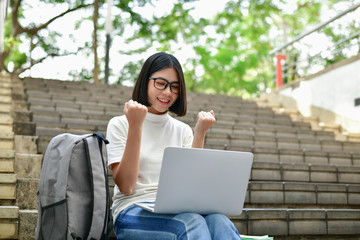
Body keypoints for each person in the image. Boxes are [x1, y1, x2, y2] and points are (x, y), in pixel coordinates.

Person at [106, 52, 242, 240]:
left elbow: (192, 186)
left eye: (175, 87)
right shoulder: (120, 124)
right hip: (131, 211)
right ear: (145, 81)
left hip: (176, 210)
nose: (168, 92)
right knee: (191, 223)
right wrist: (136, 126)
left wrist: (200, 133)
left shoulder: (183, 130)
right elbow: (126, 186)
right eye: (161, 84)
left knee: (219, 221)